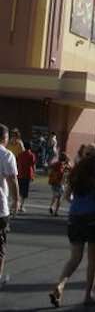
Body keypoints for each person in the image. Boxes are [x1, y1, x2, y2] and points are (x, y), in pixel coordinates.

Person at [49, 143, 95, 307]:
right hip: (92, 219)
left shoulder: (75, 173)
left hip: (75, 218)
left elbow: (67, 196)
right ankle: (88, 295)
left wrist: (79, 204)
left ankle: (60, 285)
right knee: (93, 260)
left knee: (74, 258)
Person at [0, 124, 19, 289]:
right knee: (0, 245)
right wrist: (17, 200)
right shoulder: (7, 155)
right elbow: (13, 180)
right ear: (4, 138)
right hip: (0, 208)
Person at [16, 141, 37, 213]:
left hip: (20, 174)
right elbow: (33, 165)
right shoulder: (31, 155)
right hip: (27, 174)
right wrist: (33, 174)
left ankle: (16, 205)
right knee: (24, 192)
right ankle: (21, 206)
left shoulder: (20, 154)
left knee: (18, 190)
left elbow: (18, 163)